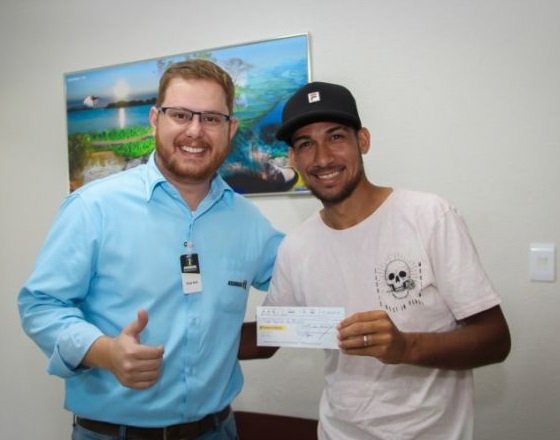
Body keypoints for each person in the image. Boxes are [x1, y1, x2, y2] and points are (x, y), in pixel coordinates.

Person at [18, 59, 284, 440]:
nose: (195, 131)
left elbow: (304, 275)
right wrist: (104, 351)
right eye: (181, 115)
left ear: (231, 129)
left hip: (217, 431)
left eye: (211, 118)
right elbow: (40, 305)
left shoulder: (249, 223)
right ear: (155, 119)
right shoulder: (93, 208)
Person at [248, 81, 511, 439]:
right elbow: (269, 336)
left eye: (336, 137)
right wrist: (180, 338)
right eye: (306, 144)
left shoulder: (429, 216)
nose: (322, 158)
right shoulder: (296, 248)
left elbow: (495, 340)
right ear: (293, 158)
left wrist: (406, 346)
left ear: (363, 141)